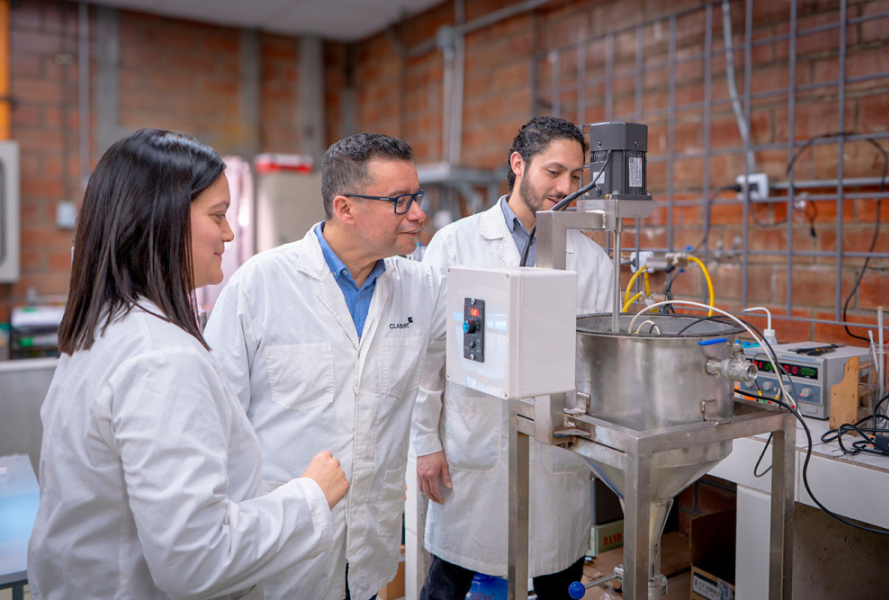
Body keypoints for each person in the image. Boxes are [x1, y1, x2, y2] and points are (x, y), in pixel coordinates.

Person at [26, 129, 349, 600]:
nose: (230, 233)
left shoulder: (105, 330)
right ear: (162, 220)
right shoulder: (160, 359)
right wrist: (310, 496)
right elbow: (195, 560)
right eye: (217, 215)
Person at [204, 133, 445, 600]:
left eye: (417, 197)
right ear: (345, 207)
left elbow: (452, 361)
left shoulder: (423, 287)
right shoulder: (261, 284)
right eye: (399, 201)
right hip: (281, 557)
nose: (418, 213)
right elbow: (214, 423)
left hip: (367, 553)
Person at [413, 116, 615, 599]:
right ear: (518, 164)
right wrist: (424, 440)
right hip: (473, 446)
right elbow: (430, 352)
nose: (565, 188)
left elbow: (598, 363)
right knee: (448, 584)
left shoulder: (592, 262)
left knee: (555, 580)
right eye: (553, 172)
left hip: (554, 456)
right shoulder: (456, 244)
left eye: (575, 177)